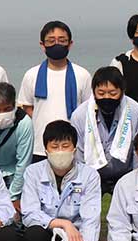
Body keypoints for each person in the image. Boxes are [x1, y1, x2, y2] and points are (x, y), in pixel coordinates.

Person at [21, 120, 102, 241]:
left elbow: (91, 220)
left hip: (77, 239)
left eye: (65, 146)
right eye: (54, 147)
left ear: (74, 149)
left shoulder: (89, 175)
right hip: (47, 234)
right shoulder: (33, 172)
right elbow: (29, 214)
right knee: (34, 235)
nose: (60, 151)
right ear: (45, 150)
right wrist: (63, 224)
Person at [18, 20, 93, 162]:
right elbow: (27, 107)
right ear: (42, 45)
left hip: (72, 145)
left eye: (62, 40)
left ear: (70, 44)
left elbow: (87, 110)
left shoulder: (82, 74)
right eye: (51, 41)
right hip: (40, 146)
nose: (56, 44)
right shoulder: (31, 75)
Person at [70, 67, 138, 194]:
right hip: (91, 173)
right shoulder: (80, 114)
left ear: (122, 92)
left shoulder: (134, 111)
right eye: (101, 93)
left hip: (125, 173)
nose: (107, 97)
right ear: (93, 91)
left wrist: (137, 181)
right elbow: (78, 153)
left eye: (112, 93)